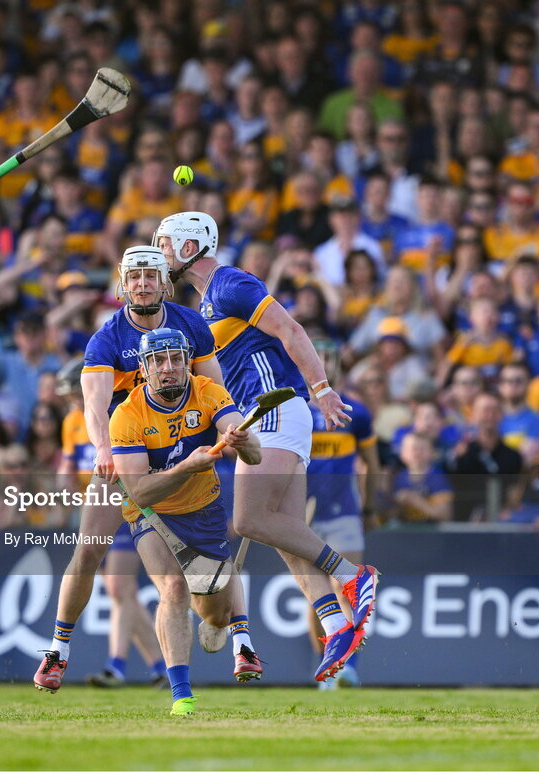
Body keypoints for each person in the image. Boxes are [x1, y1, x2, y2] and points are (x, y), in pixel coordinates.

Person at [153, 211, 379, 682]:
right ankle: (336, 625)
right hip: (259, 419)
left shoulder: (231, 283)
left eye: (166, 244)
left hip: (273, 407)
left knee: (249, 520)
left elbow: (291, 330)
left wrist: (322, 388)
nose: (161, 253)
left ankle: (352, 576)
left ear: (192, 247)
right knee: (286, 532)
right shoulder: (204, 305)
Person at [33, 246, 253, 694]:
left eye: (150, 275)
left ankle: (233, 631)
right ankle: (58, 652)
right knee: (88, 550)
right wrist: (103, 449)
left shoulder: (191, 324)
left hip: (184, 448)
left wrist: (230, 432)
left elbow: (215, 388)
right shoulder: (106, 339)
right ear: (123, 283)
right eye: (133, 276)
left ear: (163, 281)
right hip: (126, 453)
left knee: (207, 589)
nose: (142, 283)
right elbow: (94, 405)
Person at [111, 328, 262, 716]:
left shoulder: (209, 391)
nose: (169, 368)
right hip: (151, 513)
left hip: (202, 507)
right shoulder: (127, 415)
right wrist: (185, 467)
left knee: (213, 612)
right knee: (173, 588)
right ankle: (182, 695)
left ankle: (224, 621)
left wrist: (244, 442)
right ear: (144, 369)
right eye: (159, 361)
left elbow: (255, 455)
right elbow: (141, 492)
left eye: (176, 358)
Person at [54, 358, 166, 689]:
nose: (73, 400)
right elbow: (69, 464)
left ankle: (116, 665)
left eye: (75, 392)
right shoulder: (72, 422)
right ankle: (159, 664)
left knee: (120, 587)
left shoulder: (115, 414)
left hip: (126, 498)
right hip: (97, 505)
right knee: (122, 593)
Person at [305, 339, 380, 690]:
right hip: (302, 517)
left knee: (347, 587)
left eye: (329, 357)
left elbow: (372, 463)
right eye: (317, 357)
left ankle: (349, 666)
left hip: (344, 512)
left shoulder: (356, 411)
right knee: (316, 594)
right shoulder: (295, 411)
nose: (324, 363)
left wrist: (370, 504)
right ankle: (328, 667)